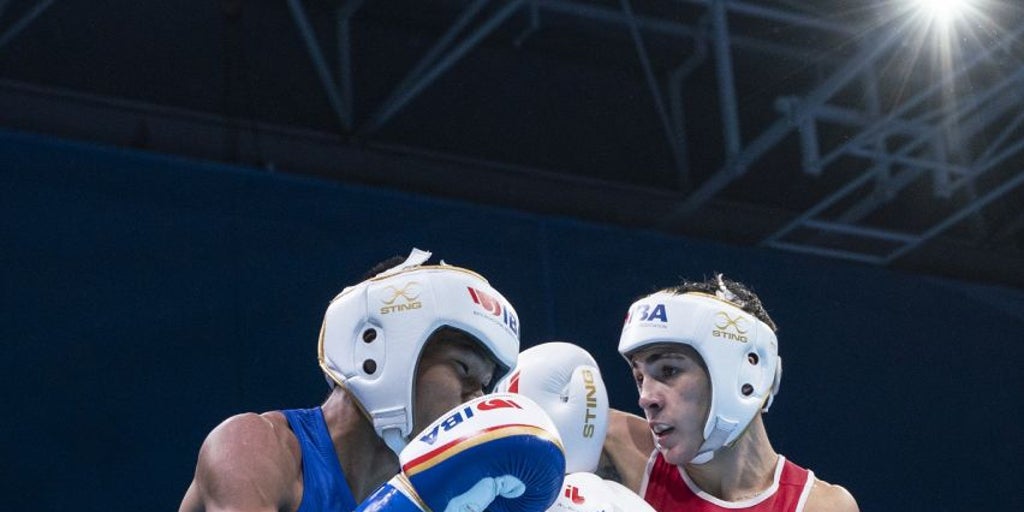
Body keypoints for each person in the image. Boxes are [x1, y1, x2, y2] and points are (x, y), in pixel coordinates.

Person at [179, 248, 523, 512]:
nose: (477, 399)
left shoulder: (438, 497)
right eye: (463, 369)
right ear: (385, 355)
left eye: (485, 385)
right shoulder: (254, 448)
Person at [600, 274, 859, 511]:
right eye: (639, 378)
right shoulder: (616, 445)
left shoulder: (820, 507)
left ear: (746, 374)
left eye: (669, 371)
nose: (645, 398)